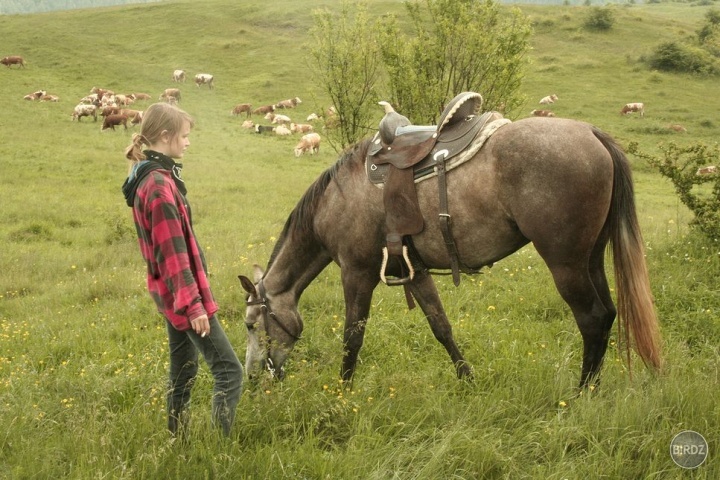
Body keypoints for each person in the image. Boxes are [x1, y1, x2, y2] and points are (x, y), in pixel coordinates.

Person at [121, 102, 243, 438]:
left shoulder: (149, 175)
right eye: (184, 136)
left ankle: (177, 438)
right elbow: (171, 254)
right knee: (229, 372)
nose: (188, 142)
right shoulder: (158, 187)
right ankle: (222, 447)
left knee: (184, 371)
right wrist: (193, 305)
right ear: (165, 136)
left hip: (168, 294)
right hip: (184, 296)